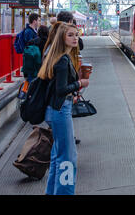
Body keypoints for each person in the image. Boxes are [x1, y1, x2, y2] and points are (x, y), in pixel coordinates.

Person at [37, 23, 90, 195]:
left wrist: (74, 86)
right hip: (60, 111)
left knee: (57, 157)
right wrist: (79, 83)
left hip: (55, 110)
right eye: (71, 35)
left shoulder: (58, 57)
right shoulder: (63, 60)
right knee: (68, 159)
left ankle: (52, 192)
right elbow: (60, 90)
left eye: (76, 34)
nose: (75, 38)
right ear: (62, 38)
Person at [21, 13, 41, 82]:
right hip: (31, 61)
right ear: (34, 21)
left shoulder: (31, 31)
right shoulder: (29, 32)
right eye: (38, 20)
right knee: (31, 81)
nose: (39, 22)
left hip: (32, 60)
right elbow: (29, 47)